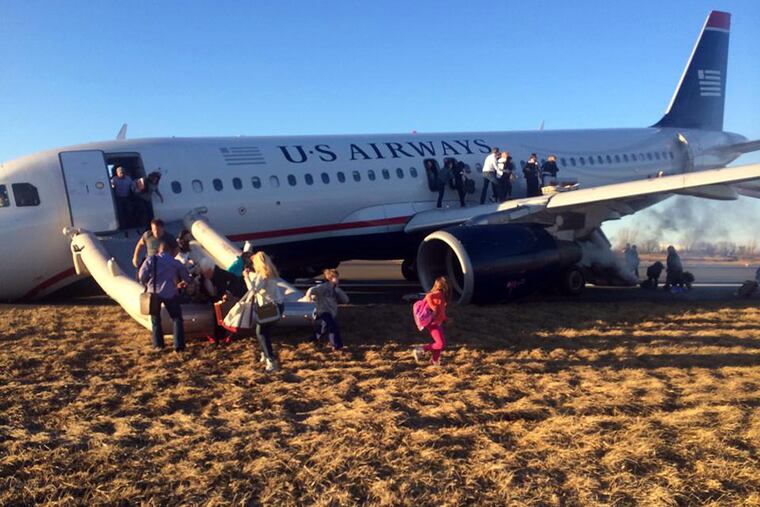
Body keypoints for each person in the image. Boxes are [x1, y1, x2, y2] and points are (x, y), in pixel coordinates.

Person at [138, 240, 192, 352]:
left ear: (159, 250)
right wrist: (185, 282)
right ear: (170, 251)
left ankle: (158, 345)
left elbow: (142, 275)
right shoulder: (174, 262)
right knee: (176, 318)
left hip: (153, 294)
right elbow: (186, 277)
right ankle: (178, 346)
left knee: (155, 320)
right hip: (170, 293)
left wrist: (147, 283)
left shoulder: (151, 259)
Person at [244, 252, 285, 373]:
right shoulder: (269, 273)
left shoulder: (261, 275)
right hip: (277, 306)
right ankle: (265, 354)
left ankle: (270, 360)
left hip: (269, 308)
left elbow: (253, 290)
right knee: (263, 332)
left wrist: (246, 277)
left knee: (261, 333)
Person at [305, 269, 350, 350]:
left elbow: (346, 300)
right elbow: (311, 290)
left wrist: (338, 291)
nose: (337, 279)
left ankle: (313, 339)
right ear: (329, 278)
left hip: (331, 312)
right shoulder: (323, 287)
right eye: (335, 277)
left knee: (324, 330)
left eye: (337, 277)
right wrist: (309, 300)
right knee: (334, 327)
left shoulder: (336, 289)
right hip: (323, 311)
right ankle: (337, 345)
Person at [412, 276, 451, 365]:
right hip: (433, 322)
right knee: (440, 343)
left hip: (437, 322)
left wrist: (445, 318)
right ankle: (420, 349)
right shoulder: (438, 293)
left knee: (440, 342)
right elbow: (428, 296)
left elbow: (441, 310)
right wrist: (433, 307)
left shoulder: (441, 295)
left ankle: (435, 360)